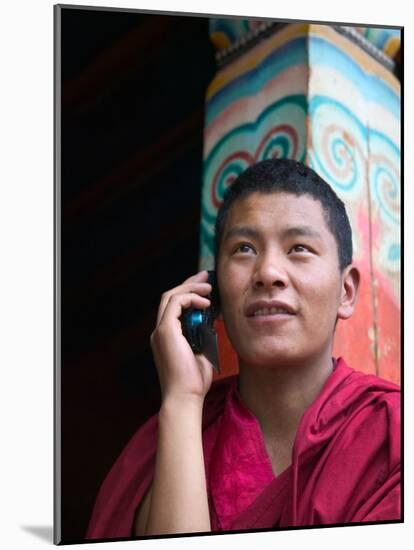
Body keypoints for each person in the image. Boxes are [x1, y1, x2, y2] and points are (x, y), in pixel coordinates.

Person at [86, 159, 400, 539]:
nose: (268, 272)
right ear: (213, 291)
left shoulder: (393, 431)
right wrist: (183, 400)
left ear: (346, 291)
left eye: (299, 248)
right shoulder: (167, 441)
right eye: (244, 249)